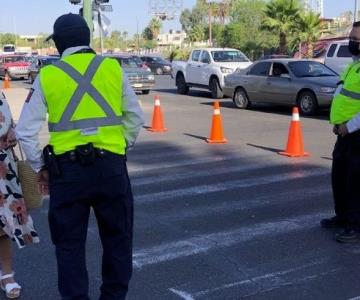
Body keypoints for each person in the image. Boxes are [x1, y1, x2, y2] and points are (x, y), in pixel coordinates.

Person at [15, 13, 144, 300]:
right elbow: (135, 118)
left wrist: (41, 167)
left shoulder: (48, 75)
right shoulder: (112, 68)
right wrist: (117, 148)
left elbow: (25, 130)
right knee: (118, 240)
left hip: (67, 173)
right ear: (86, 39)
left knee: (69, 246)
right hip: (111, 169)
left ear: (59, 43)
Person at [322, 21, 360, 243]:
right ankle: (342, 217)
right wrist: (337, 124)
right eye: (351, 39)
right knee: (339, 177)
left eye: (356, 41)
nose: (352, 44)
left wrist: (349, 126)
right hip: (343, 133)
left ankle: (355, 225)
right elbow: (342, 95)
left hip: (356, 134)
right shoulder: (353, 66)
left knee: (355, 181)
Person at [0, 90, 39, 299]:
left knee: (4, 224)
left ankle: (7, 274)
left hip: (3, 169)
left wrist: (12, 136)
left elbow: (9, 129)